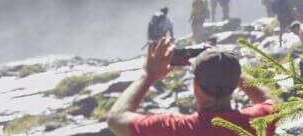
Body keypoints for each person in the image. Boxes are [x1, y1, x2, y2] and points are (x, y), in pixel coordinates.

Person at [106, 39, 277, 136]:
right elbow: (269, 99)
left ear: (195, 87)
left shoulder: (173, 128)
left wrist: (148, 75)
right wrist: (229, 68)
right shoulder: (258, 121)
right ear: (234, 87)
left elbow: (116, 119)